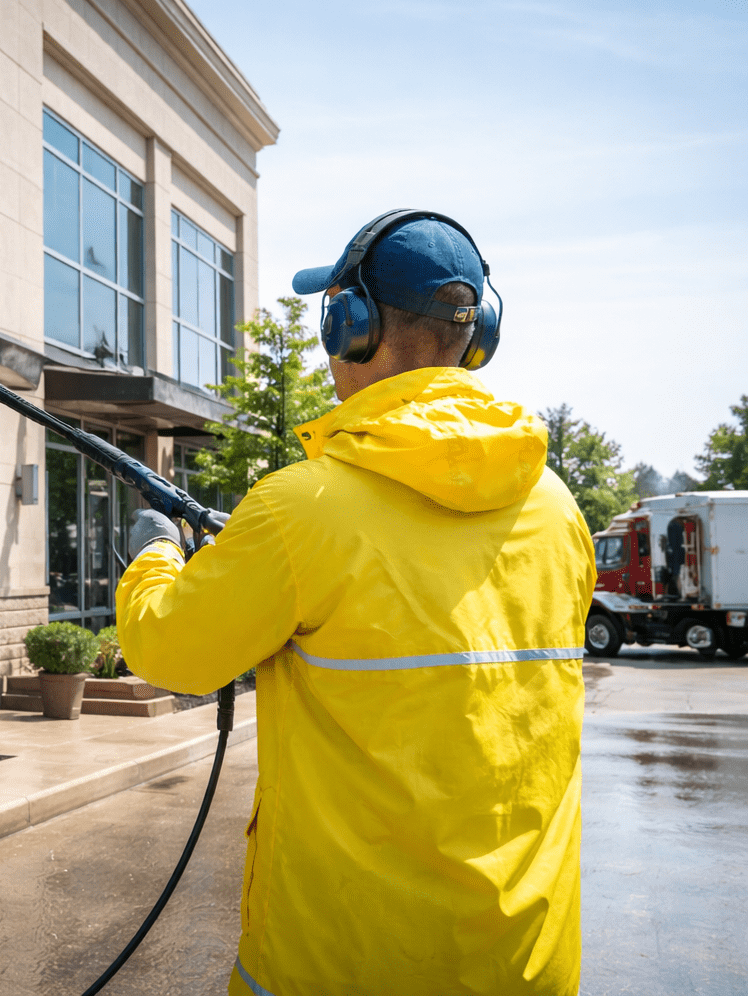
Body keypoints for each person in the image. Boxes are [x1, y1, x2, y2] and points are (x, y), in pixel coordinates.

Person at [116, 212, 595, 996]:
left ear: (352, 325)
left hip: (336, 969)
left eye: (332, 314)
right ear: (479, 338)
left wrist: (155, 553)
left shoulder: (301, 511)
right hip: (527, 964)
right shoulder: (555, 506)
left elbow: (170, 652)